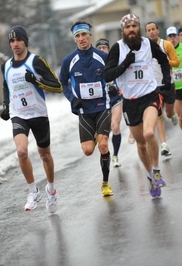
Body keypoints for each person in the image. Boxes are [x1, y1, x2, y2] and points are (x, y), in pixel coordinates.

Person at [104, 13, 171, 198]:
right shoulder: (118, 48)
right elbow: (107, 75)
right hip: (130, 102)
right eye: (128, 27)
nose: (131, 29)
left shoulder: (149, 44)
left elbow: (163, 60)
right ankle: (150, 176)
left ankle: (157, 170)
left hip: (149, 96)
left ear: (138, 28)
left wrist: (166, 80)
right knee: (141, 144)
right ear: (123, 30)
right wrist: (125, 64)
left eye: (134, 26)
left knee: (149, 133)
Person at [0, 25, 63, 213]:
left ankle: (51, 190)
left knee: (45, 155)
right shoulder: (6, 66)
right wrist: (5, 105)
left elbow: (57, 86)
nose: (15, 44)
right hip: (19, 114)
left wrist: (37, 82)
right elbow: (6, 85)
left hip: (38, 115)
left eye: (18, 39)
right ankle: (33, 191)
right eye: (12, 41)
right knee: (21, 152)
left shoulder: (36, 61)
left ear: (25, 41)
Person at [59, 21, 113, 197]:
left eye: (84, 35)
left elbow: (113, 75)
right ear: (74, 39)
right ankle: (97, 135)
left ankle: (105, 183)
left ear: (90, 35)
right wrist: (72, 99)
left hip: (103, 107)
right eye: (77, 36)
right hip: (84, 111)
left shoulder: (102, 57)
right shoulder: (69, 61)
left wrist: (113, 86)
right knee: (88, 151)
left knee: (103, 146)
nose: (81, 39)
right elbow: (63, 83)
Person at [145, 21, 179, 156]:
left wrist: (164, 60)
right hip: (153, 87)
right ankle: (164, 144)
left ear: (158, 31)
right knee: (159, 116)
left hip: (168, 83)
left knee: (168, 113)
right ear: (146, 33)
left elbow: (176, 63)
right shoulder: (145, 47)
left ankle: (173, 114)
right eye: (149, 30)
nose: (151, 32)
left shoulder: (166, 44)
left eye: (153, 29)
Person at [96, 38, 122, 167]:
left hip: (115, 98)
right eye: (99, 48)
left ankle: (115, 155)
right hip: (101, 101)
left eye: (104, 48)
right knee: (104, 132)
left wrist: (116, 86)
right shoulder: (93, 63)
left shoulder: (115, 61)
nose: (102, 50)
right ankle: (105, 152)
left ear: (108, 49)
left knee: (115, 126)